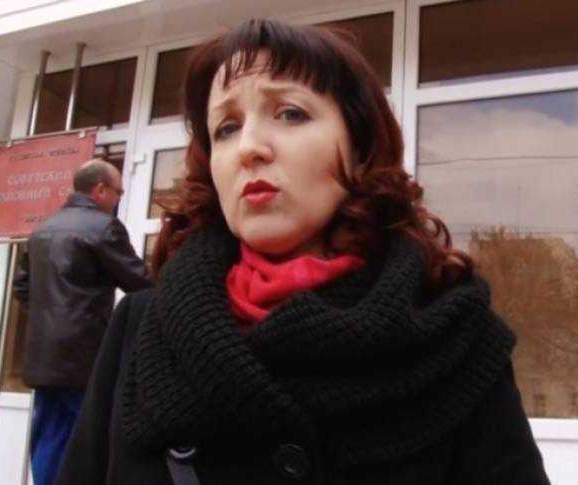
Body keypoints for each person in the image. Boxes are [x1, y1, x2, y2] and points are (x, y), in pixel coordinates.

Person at [57, 19, 550, 485]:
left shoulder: (456, 335)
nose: (249, 147)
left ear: (359, 147)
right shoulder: (139, 328)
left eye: (290, 113)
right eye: (226, 127)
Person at [13, 158, 153, 485]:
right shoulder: (103, 227)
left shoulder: (42, 229)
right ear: (100, 190)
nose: (118, 198)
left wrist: (50, 315)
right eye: (118, 192)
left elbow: (21, 287)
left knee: (50, 438)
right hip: (85, 358)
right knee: (97, 441)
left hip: (43, 359)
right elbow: (140, 283)